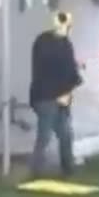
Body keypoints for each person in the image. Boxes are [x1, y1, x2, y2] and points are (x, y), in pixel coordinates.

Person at [28, 11, 82, 179]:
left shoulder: (57, 43)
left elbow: (66, 69)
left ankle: (67, 168)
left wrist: (70, 84)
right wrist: (72, 81)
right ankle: (37, 171)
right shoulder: (51, 44)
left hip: (51, 95)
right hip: (46, 97)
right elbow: (59, 70)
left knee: (64, 133)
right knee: (46, 134)